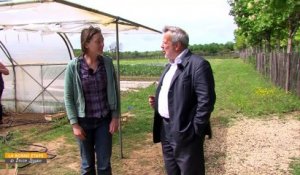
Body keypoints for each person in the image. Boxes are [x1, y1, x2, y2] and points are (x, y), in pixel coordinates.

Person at [149, 26, 216, 175]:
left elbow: (206, 101)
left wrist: (195, 130)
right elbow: (175, 95)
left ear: (177, 45)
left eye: (164, 43)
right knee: (172, 171)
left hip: (186, 131)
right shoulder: (170, 66)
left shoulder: (198, 65)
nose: (161, 46)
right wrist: (159, 104)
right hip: (165, 130)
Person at [64, 26, 119, 175]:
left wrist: (115, 117)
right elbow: (68, 97)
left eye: (102, 40)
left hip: (104, 121)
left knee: (104, 165)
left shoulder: (107, 63)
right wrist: (74, 124)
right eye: (98, 41)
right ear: (86, 44)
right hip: (84, 122)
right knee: (87, 165)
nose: (102, 44)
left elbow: (115, 91)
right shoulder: (73, 67)